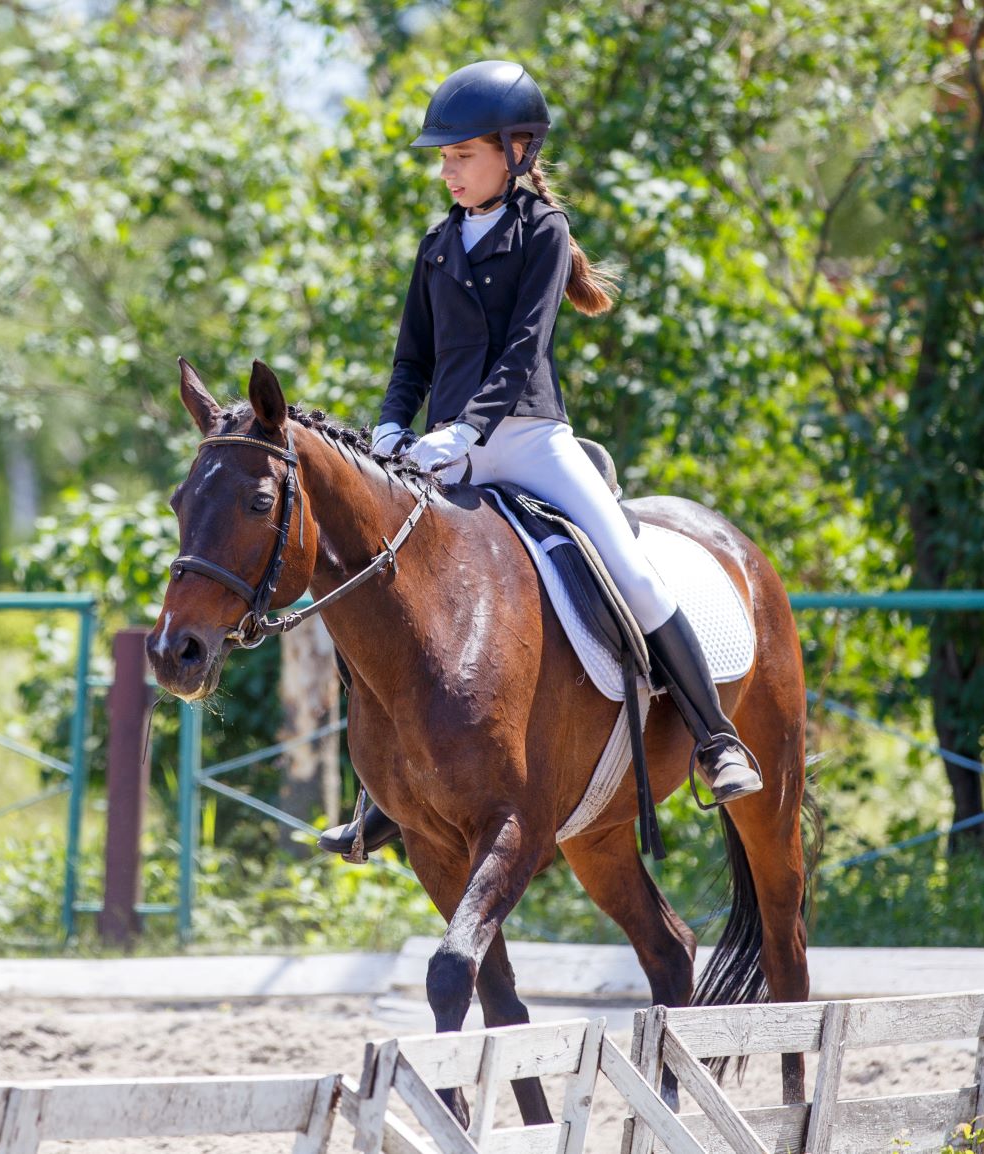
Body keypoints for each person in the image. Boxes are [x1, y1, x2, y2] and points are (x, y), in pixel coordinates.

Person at [319, 59, 762, 859]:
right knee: (379, 586)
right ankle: (381, 789)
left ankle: (714, 735)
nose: (447, 171)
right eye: (444, 159)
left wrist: (465, 431)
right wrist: (390, 429)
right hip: (443, 453)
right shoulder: (436, 245)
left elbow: (524, 355)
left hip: (527, 440)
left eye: (462, 156)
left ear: (516, 152)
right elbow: (409, 363)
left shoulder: (542, 234)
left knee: (632, 571)